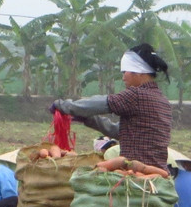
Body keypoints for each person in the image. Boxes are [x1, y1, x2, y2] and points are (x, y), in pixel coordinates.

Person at [51, 42, 171, 170]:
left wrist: (64, 106)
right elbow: (122, 131)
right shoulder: (162, 100)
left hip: (136, 170)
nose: (123, 77)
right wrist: (88, 119)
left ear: (139, 72)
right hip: (158, 170)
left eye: (126, 71)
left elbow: (102, 103)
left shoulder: (136, 95)